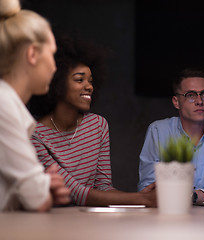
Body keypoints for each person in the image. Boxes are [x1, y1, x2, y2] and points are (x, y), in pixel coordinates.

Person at [28, 36, 156, 207]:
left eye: (91, 81)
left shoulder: (98, 125)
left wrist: (140, 198)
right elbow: (76, 193)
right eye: (79, 80)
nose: (89, 86)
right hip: (51, 222)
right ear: (56, 84)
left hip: (90, 221)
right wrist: (143, 200)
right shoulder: (35, 135)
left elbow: (103, 187)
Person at [0, 0, 70, 211]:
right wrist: (42, 188)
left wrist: (41, 185)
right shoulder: (4, 104)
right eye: (52, 53)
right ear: (32, 54)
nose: (55, 66)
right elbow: (37, 200)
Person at [138, 68, 204, 204]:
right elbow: (147, 188)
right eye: (191, 95)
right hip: (168, 215)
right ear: (176, 102)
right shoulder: (158, 130)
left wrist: (195, 196)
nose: (199, 101)